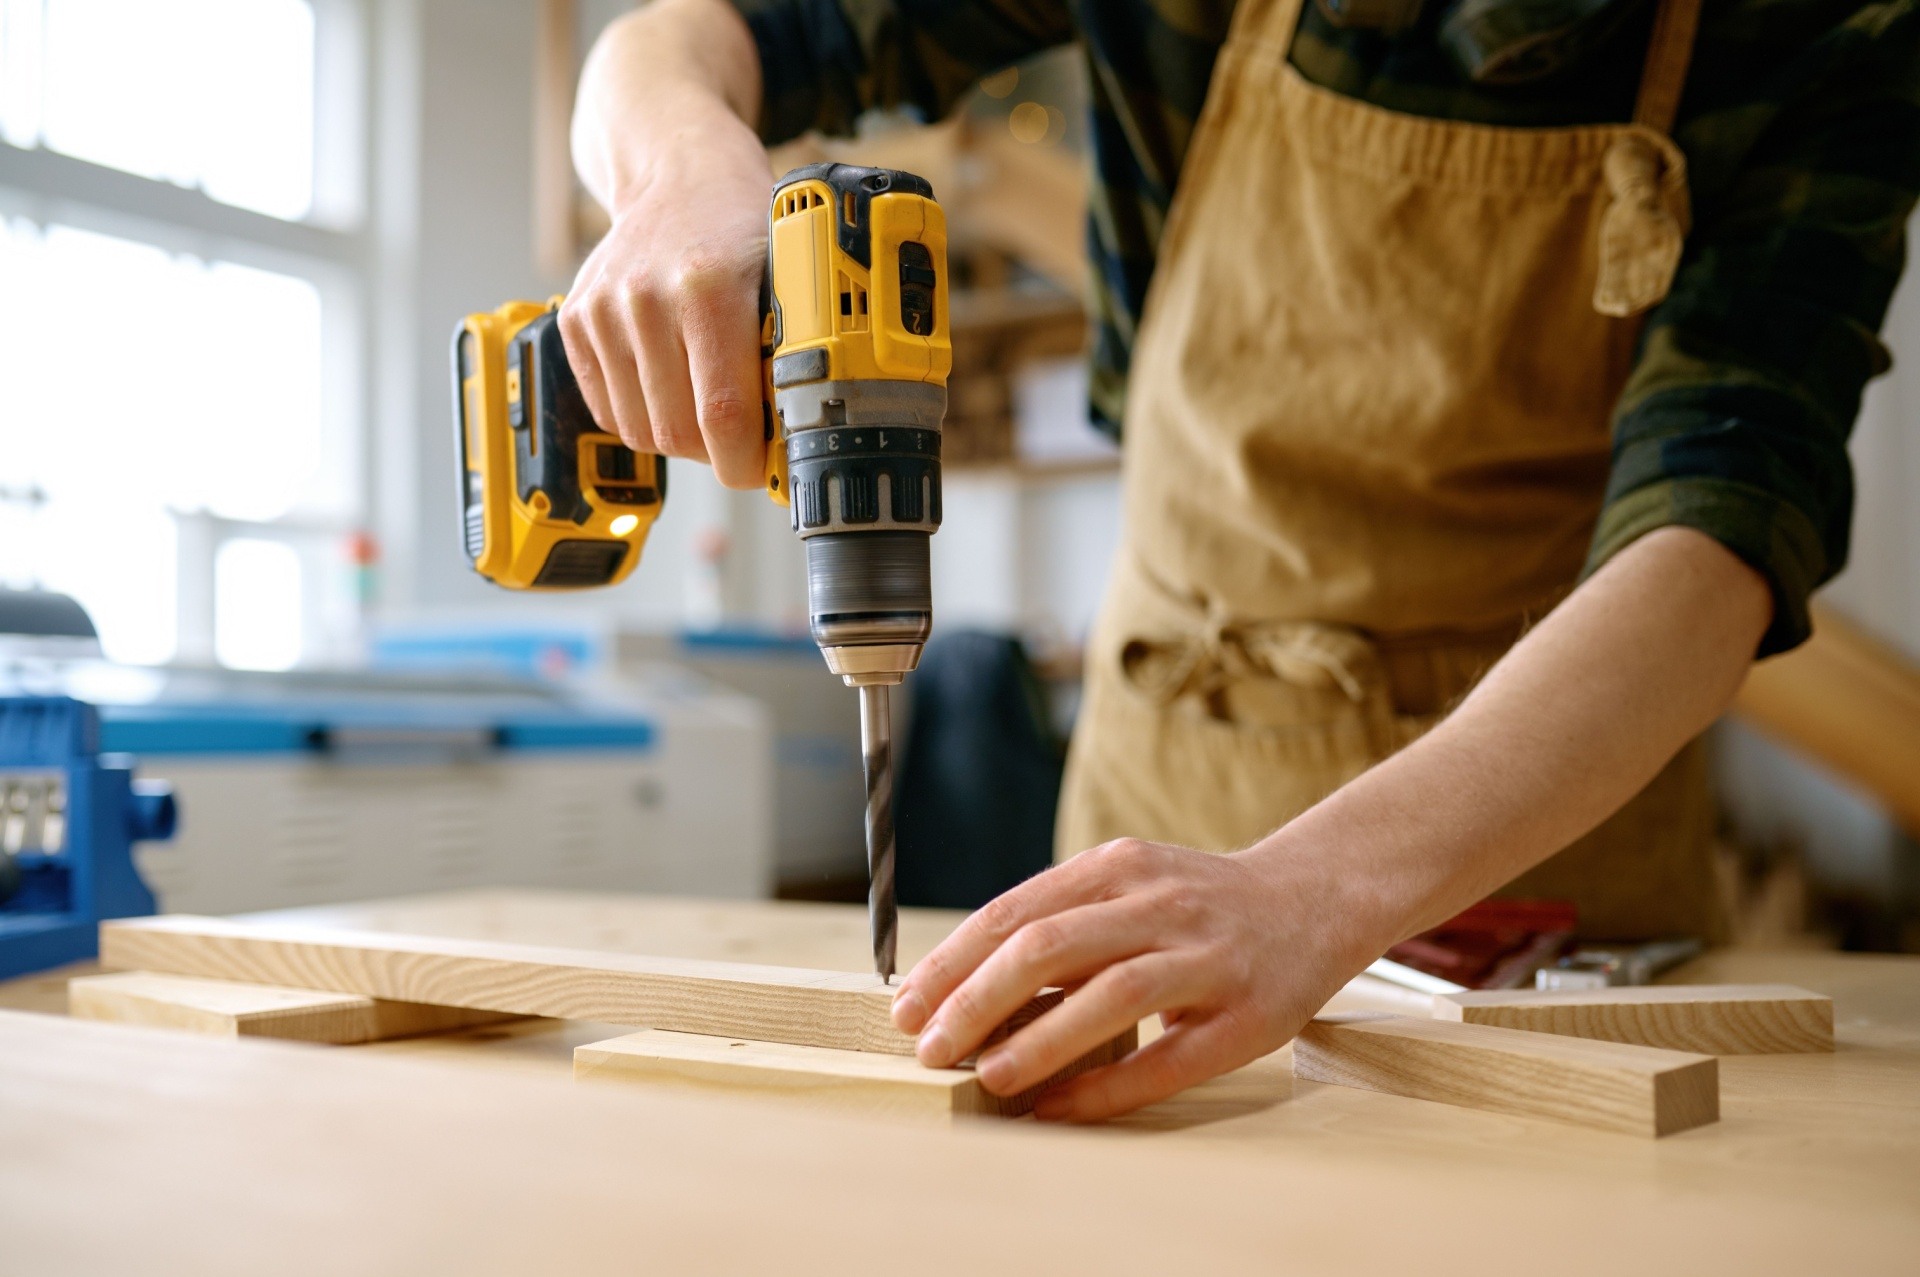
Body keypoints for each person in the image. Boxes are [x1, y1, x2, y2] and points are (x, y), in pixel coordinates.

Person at [561, 0, 1918, 1119]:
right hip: (1167, 774)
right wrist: (676, 159)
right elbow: (687, 37)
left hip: (1538, 863)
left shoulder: (1822, 31)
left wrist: (1317, 888)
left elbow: (1722, 529)